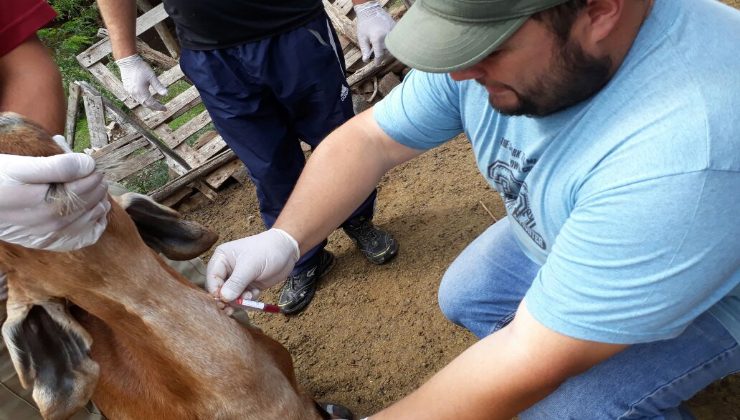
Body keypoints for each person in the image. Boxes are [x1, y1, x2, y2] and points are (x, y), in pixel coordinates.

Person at [207, 0, 740, 418]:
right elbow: (370, 139)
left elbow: (529, 359)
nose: (460, 75)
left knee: (565, 407)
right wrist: (286, 238)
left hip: (714, 290)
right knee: (468, 295)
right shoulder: (510, 37)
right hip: (587, 224)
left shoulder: (686, 147)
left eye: (486, 47)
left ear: (599, 9)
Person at [96, 0, 400, 315]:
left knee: (336, 140)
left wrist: (367, 6)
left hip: (294, 29)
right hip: (211, 55)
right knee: (268, 167)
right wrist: (126, 56)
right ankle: (304, 257)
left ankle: (358, 220)